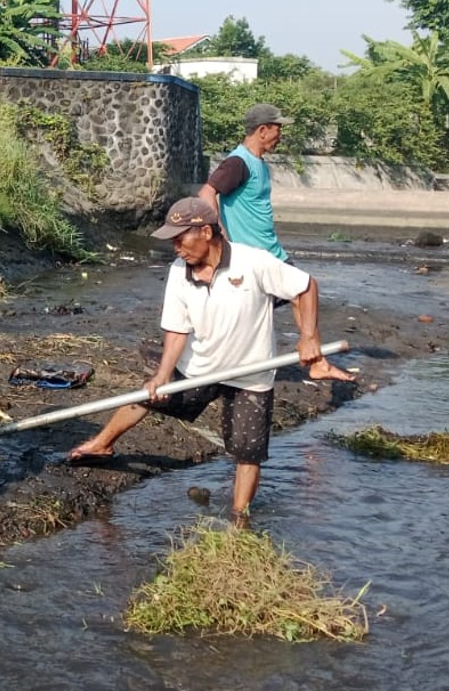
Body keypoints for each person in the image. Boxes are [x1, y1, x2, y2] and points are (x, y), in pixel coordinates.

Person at [67, 198, 354, 524]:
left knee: (248, 452)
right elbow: (177, 329)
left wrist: (308, 338)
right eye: (172, 240)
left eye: (180, 238)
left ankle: (239, 519)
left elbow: (305, 286)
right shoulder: (178, 272)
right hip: (199, 368)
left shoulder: (253, 262)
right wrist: (162, 375)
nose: (175, 248)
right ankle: (102, 445)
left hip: (251, 374)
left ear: (205, 231)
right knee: (146, 396)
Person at [199, 102, 292, 262]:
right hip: (251, 257)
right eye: (278, 130)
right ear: (262, 131)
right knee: (306, 286)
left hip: (270, 252)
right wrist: (220, 234)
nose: (280, 137)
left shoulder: (258, 163)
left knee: (306, 286)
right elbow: (206, 192)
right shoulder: (238, 162)